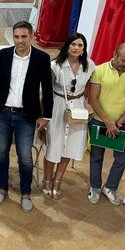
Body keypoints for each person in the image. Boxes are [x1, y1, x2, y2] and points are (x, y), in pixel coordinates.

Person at [0, 21, 53, 212]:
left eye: (24, 36)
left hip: (27, 115)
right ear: (12, 37)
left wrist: (46, 115)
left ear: (31, 36)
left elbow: (47, 89)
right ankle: (2, 187)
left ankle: (25, 192)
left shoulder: (41, 58)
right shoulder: (3, 54)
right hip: (3, 113)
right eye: (17, 37)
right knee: (1, 152)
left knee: (25, 157)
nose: (20, 41)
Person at [87, 43, 125, 205]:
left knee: (122, 158)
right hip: (99, 120)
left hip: (121, 124)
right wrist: (107, 121)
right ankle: (95, 187)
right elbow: (93, 98)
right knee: (96, 156)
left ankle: (110, 187)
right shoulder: (100, 70)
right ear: (114, 54)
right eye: (123, 60)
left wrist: (118, 122)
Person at [42, 33, 95, 200]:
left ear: (83, 49)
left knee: (69, 146)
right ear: (67, 46)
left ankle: (58, 181)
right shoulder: (55, 65)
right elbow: (46, 91)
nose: (76, 48)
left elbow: (89, 88)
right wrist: (44, 114)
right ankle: (47, 180)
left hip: (77, 108)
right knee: (54, 145)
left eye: (80, 45)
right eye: (73, 44)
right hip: (58, 105)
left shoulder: (89, 65)